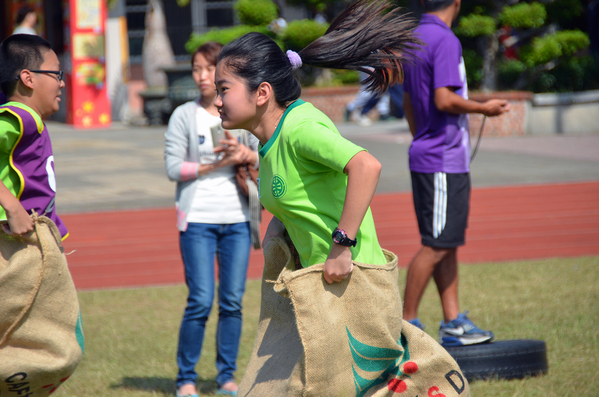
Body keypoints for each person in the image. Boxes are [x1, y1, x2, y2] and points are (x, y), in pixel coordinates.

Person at [401, 0, 510, 347]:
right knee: (436, 245)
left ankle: (453, 323)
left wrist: (421, 135)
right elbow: (445, 99)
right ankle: (406, 327)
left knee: (446, 244)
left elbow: (408, 101)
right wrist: (484, 108)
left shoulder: (414, 36)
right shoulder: (444, 39)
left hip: (435, 156)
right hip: (442, 161)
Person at [164, 41, 259, 397]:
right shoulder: (184, 116)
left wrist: (244, 152)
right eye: (196, 69)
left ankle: (226, 378)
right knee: (201, 299)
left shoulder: (242, 112)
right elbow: (173, 168)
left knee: (232, 301)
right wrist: (216, 164)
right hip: (198, 220)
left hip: (237, 219)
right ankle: (185, 379)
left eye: (209, 69)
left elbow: (263, 155)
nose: (203, 76)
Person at [0, 34, 68, 239]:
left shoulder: (31, 119)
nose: (62, 83)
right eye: (57, 74)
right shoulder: (19, 118)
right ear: (28, 79)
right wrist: (12, 207)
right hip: (11, 236)